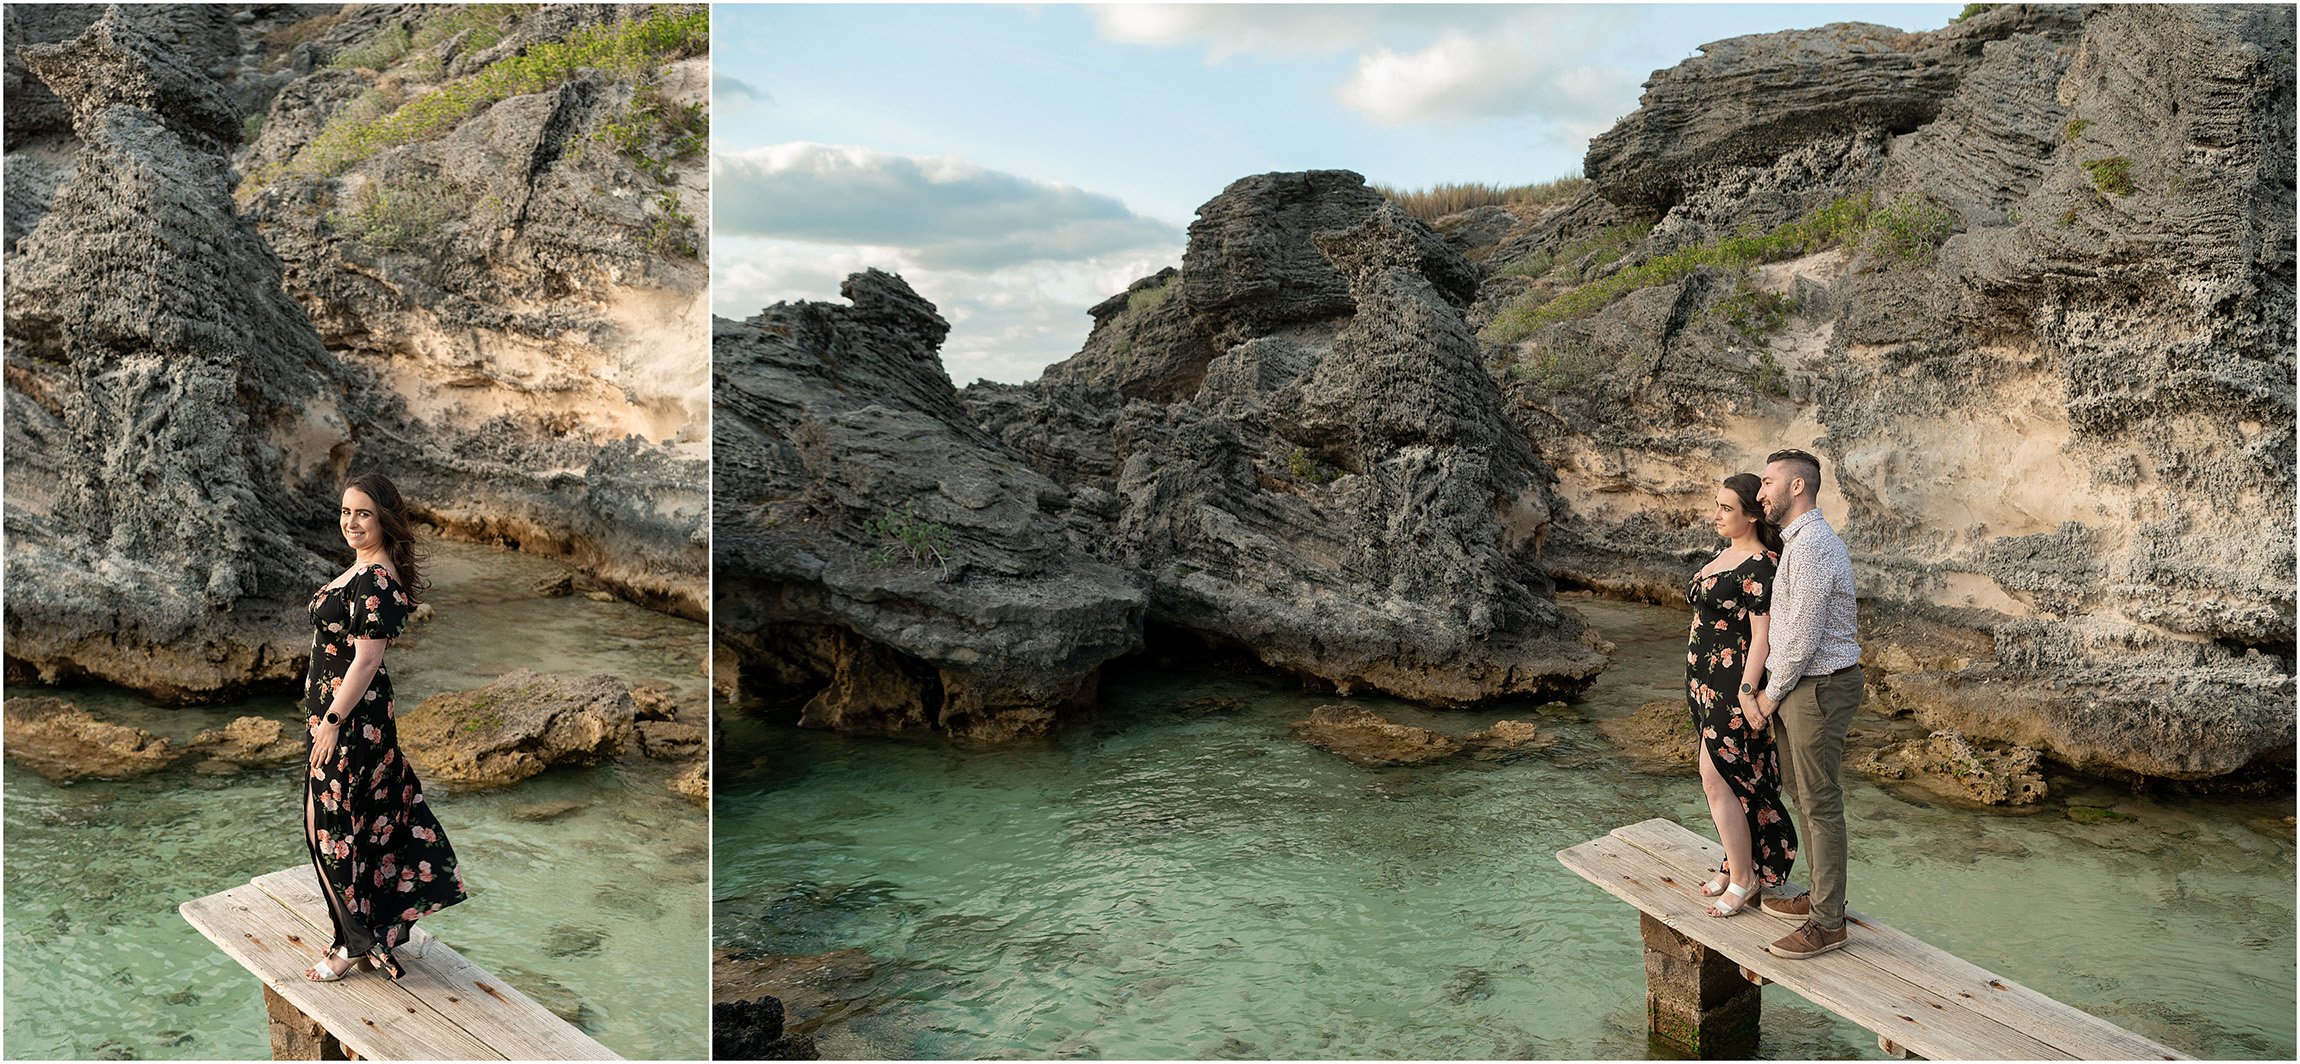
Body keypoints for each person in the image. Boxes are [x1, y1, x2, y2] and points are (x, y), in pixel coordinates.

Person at [301, 472, 466, 981]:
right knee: (330, 824)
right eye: (346, 511)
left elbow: (367, 661)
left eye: (363, 513)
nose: (351, 522)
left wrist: (330, 722)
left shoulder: (376, 580)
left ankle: (351, 944)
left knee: (335, 831)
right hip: (343, 719)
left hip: (351, 722)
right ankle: (360, 932)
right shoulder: (362, 569)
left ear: (384, 519)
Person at [1749, 448, 1862, 960]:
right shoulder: (1798, 542)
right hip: (1804, 684)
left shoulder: (1813, 543)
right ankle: (1821, 900)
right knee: (1805, 795)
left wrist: (1768, 696)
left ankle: (1828, 923)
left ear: (1798, 487)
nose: (1761, 491)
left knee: (1821, 802)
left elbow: (1802, 635)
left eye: (1769, 481)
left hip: (1818, 685)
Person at [1685, 473, 1797, 918]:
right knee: (1725, 778)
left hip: (1732, 686)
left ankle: (1747, 879)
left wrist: (1750, 693)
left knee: (1717, 776)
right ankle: (1736, 862)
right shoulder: (1726, 554)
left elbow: (1762, 635)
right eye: (1717, 505)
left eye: (1727, 508)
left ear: (1752, 514)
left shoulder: (1762, 564)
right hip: (1703, 685)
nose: (1716, 514)